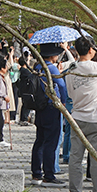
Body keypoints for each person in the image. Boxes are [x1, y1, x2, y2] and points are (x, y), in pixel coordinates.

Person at [64, 38, 97, 192]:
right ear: (91, 49)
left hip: (77, 118)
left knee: (75, 158)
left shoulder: (70, 69)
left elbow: (69, 94)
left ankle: (75, 190)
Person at [29, 44, 69, 184]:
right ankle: (49, 174)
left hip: (40, 107)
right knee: (51, 142)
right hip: (51, 106)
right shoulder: (50, 68)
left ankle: (36, 173)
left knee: (40, 140)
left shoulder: (37, 67)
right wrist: (63, 101)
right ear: (52, 55)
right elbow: (62, 85)